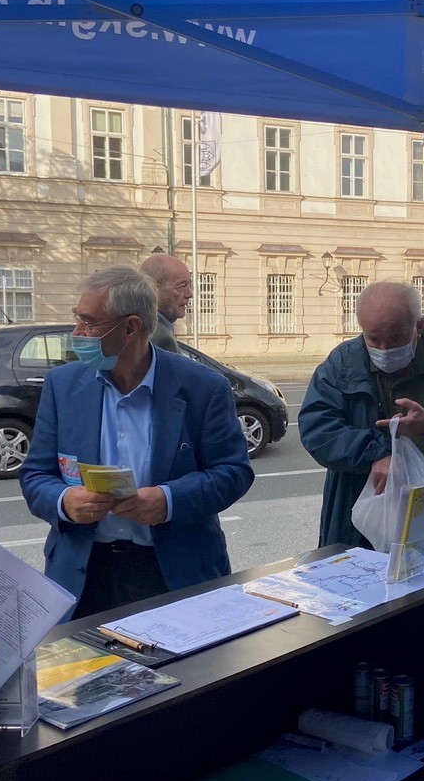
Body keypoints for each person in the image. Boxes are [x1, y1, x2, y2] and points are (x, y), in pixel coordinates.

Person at [20, 265, 254, 618]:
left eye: (89, 322)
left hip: (173, 572)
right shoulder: (63, 385)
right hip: (83, 576)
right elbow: (35, 475)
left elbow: (234, 472)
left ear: (130, 327)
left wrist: (168, 500)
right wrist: (64, 501)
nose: (76, 332)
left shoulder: (203, 386)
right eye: (77, 319)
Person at [299, 281, 424, 574]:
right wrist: (377, 453)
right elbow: (317, 430)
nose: (385, 349)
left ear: (419, 326)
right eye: (374, 339)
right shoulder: (340, 366)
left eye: (396, 338)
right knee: (359, 598)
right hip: (357, 529)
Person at [140, 253, 193, 353]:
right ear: (154, 288)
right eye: (182, 286)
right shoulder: (162, 338)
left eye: (190, 286)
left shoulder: (136, 325)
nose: (190, 294)